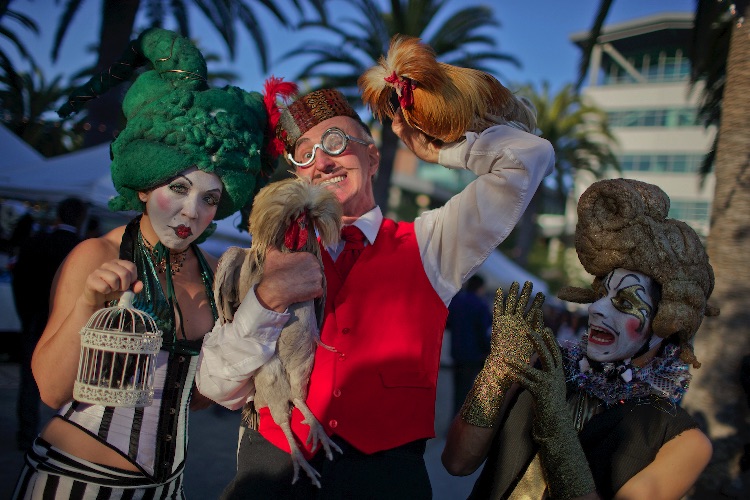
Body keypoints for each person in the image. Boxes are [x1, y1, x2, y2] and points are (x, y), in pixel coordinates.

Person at [195, 82, 554, 498]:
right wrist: (267, 300)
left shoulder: (432, 245)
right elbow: (216, 388)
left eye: (335, 143)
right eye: (305, 154)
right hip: (271, 474)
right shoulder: (262, 259)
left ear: (373, 158)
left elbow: (531, 155)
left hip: (385, 481)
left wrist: (439, 151)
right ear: (298, 175)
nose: (322, 162)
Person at [12, 28, 282, 498]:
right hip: (76, 480)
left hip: (167, 488)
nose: (191, 211)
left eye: (210, 198)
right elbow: (52, 391)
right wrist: (88, 302)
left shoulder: (216, 272)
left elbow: (196, 400)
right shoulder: (96, 255)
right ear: (143, 186)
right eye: (178, 188)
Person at [442, 178, 716, 499]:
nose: (597, 309)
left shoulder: (683, 441)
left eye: (624, 302)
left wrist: (556, 427)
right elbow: (457, 462)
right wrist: (498, 371)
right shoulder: (540, 365)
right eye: (600, 295)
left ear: (667, 320)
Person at [11, 197, 86, 451]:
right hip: (70, 325)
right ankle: (62, 437)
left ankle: (26, 434)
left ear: (57, 216)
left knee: (29, 381)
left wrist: (26, 316)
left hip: (35, 319)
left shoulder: (36, 242)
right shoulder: (82, 248)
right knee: (72, 382)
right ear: (80, 219)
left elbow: (19, 283)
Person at [447, 273, 492, 415]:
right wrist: (488, 350)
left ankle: (452, 419)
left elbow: (448, 323)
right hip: (473, 355)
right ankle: (458, 423)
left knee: (457, 392)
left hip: (457, 352)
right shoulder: (481, 305)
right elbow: (484, 332)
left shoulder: (457, 302)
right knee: (466, 393)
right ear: (480, 288)